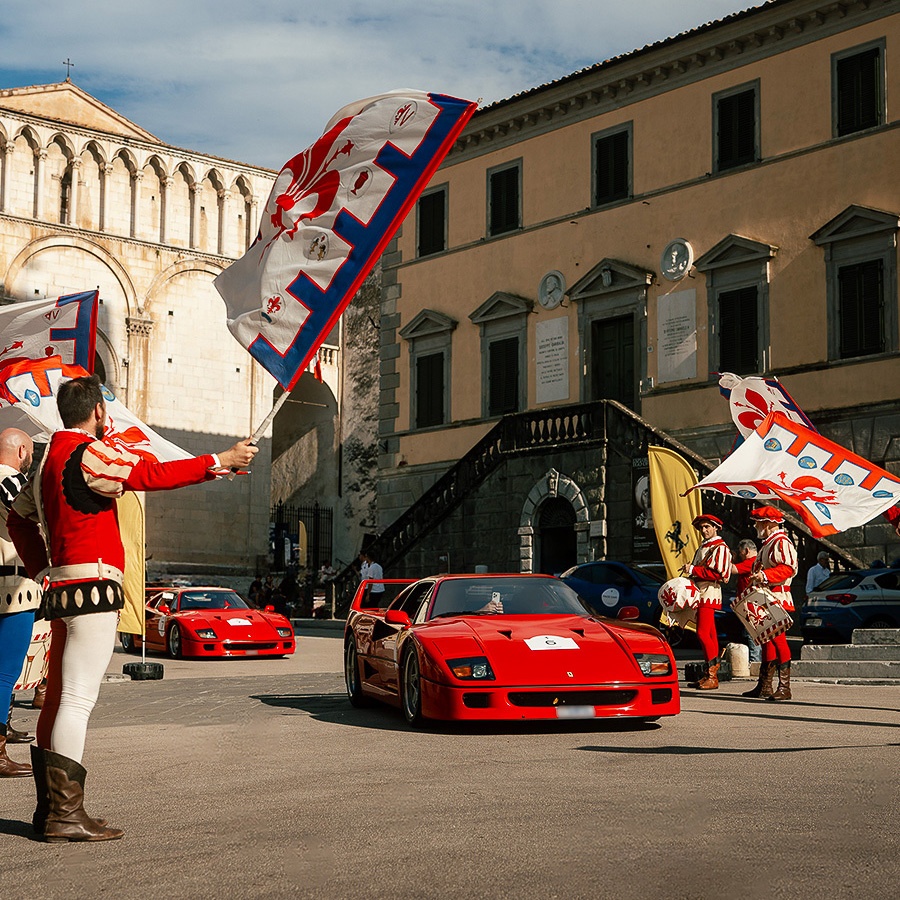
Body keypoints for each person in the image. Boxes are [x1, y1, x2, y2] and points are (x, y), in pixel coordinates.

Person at [7, 374, 257, 842]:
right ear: (99, 412)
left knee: (61, 696)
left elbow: (17, 520)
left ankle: (53, 811)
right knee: (77, 699)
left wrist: (42, 566)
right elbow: (147, 474)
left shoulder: (43, 461)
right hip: (93, 586)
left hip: (62, 586)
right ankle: (63, 814)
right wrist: (216, 460)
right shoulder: (88, 452)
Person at [0, 428, 41, 778]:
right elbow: (29, 515)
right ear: (23, 450)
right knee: (5, 673)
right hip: (11, 587)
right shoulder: (11, 481)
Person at [745, 506, 798, 701]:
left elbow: (787, 568)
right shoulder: (769, 543)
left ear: (769, 524)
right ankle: (764, 685)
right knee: (768, 639)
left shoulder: (781, 542)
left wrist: (764, 575)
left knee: (778, 640)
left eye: (758, 522)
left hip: (777, 596)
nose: (756, 526)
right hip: (767, 596)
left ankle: (784, 687)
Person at [681, 514, 732, 690]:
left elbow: (720, 574)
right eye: (702, 528)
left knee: (703, 633)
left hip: (708, 592)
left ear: (716, 527)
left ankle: (712, 675)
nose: (704, 531)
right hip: (700, 592)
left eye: (707, 527)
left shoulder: (720, 547)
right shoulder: (705, 546)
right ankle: (709, 674)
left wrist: (694, 569)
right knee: (709, 633)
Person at [731, 538, 762, 665]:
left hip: (751, 603)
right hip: (750, 602)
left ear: (747, 550)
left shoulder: (751, 562)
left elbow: (732, 569)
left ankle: (755, 662)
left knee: (752, 633)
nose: (739, 556)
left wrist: (726, 558)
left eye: (740, 553)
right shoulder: (757, 561)